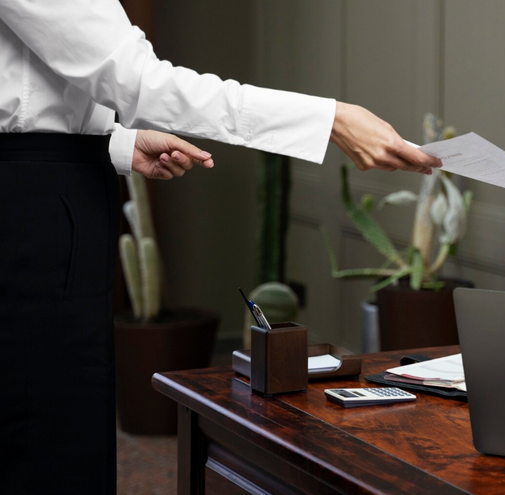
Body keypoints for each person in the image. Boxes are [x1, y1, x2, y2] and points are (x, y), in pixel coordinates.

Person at [0, 0, 441, 492]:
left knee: (47, 408)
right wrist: (330, 120)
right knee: (48, 428)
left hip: (51, 185)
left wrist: (116, 145)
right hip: (33, 205)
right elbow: (140, 81)